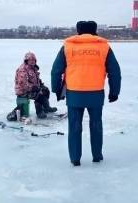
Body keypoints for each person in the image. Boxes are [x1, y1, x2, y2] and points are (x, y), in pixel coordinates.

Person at [51, 21, 121, 166]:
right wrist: (114, 92)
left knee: (74, 127)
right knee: (96, 125)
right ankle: (96, 156)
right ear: (95, 31)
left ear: (78, 30)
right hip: (95, 94)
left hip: (74, 94)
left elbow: (56, 71)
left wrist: (56, 88)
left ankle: (75, 159)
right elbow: (115, 71)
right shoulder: (104, 47)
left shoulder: (67, 46)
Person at [7, 52, 57, 121]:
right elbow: (23, 83)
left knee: (45, 90)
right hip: (23, 91)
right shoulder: (22, 69)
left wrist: (40, 85)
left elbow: (36, 79)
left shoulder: (33, 68)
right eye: (30, 60)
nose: (32, 61)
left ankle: (46, 108)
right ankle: (40, 112)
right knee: (39, 95)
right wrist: (34, 88)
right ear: (26, 60)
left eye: (34, 60)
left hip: (31, 88)